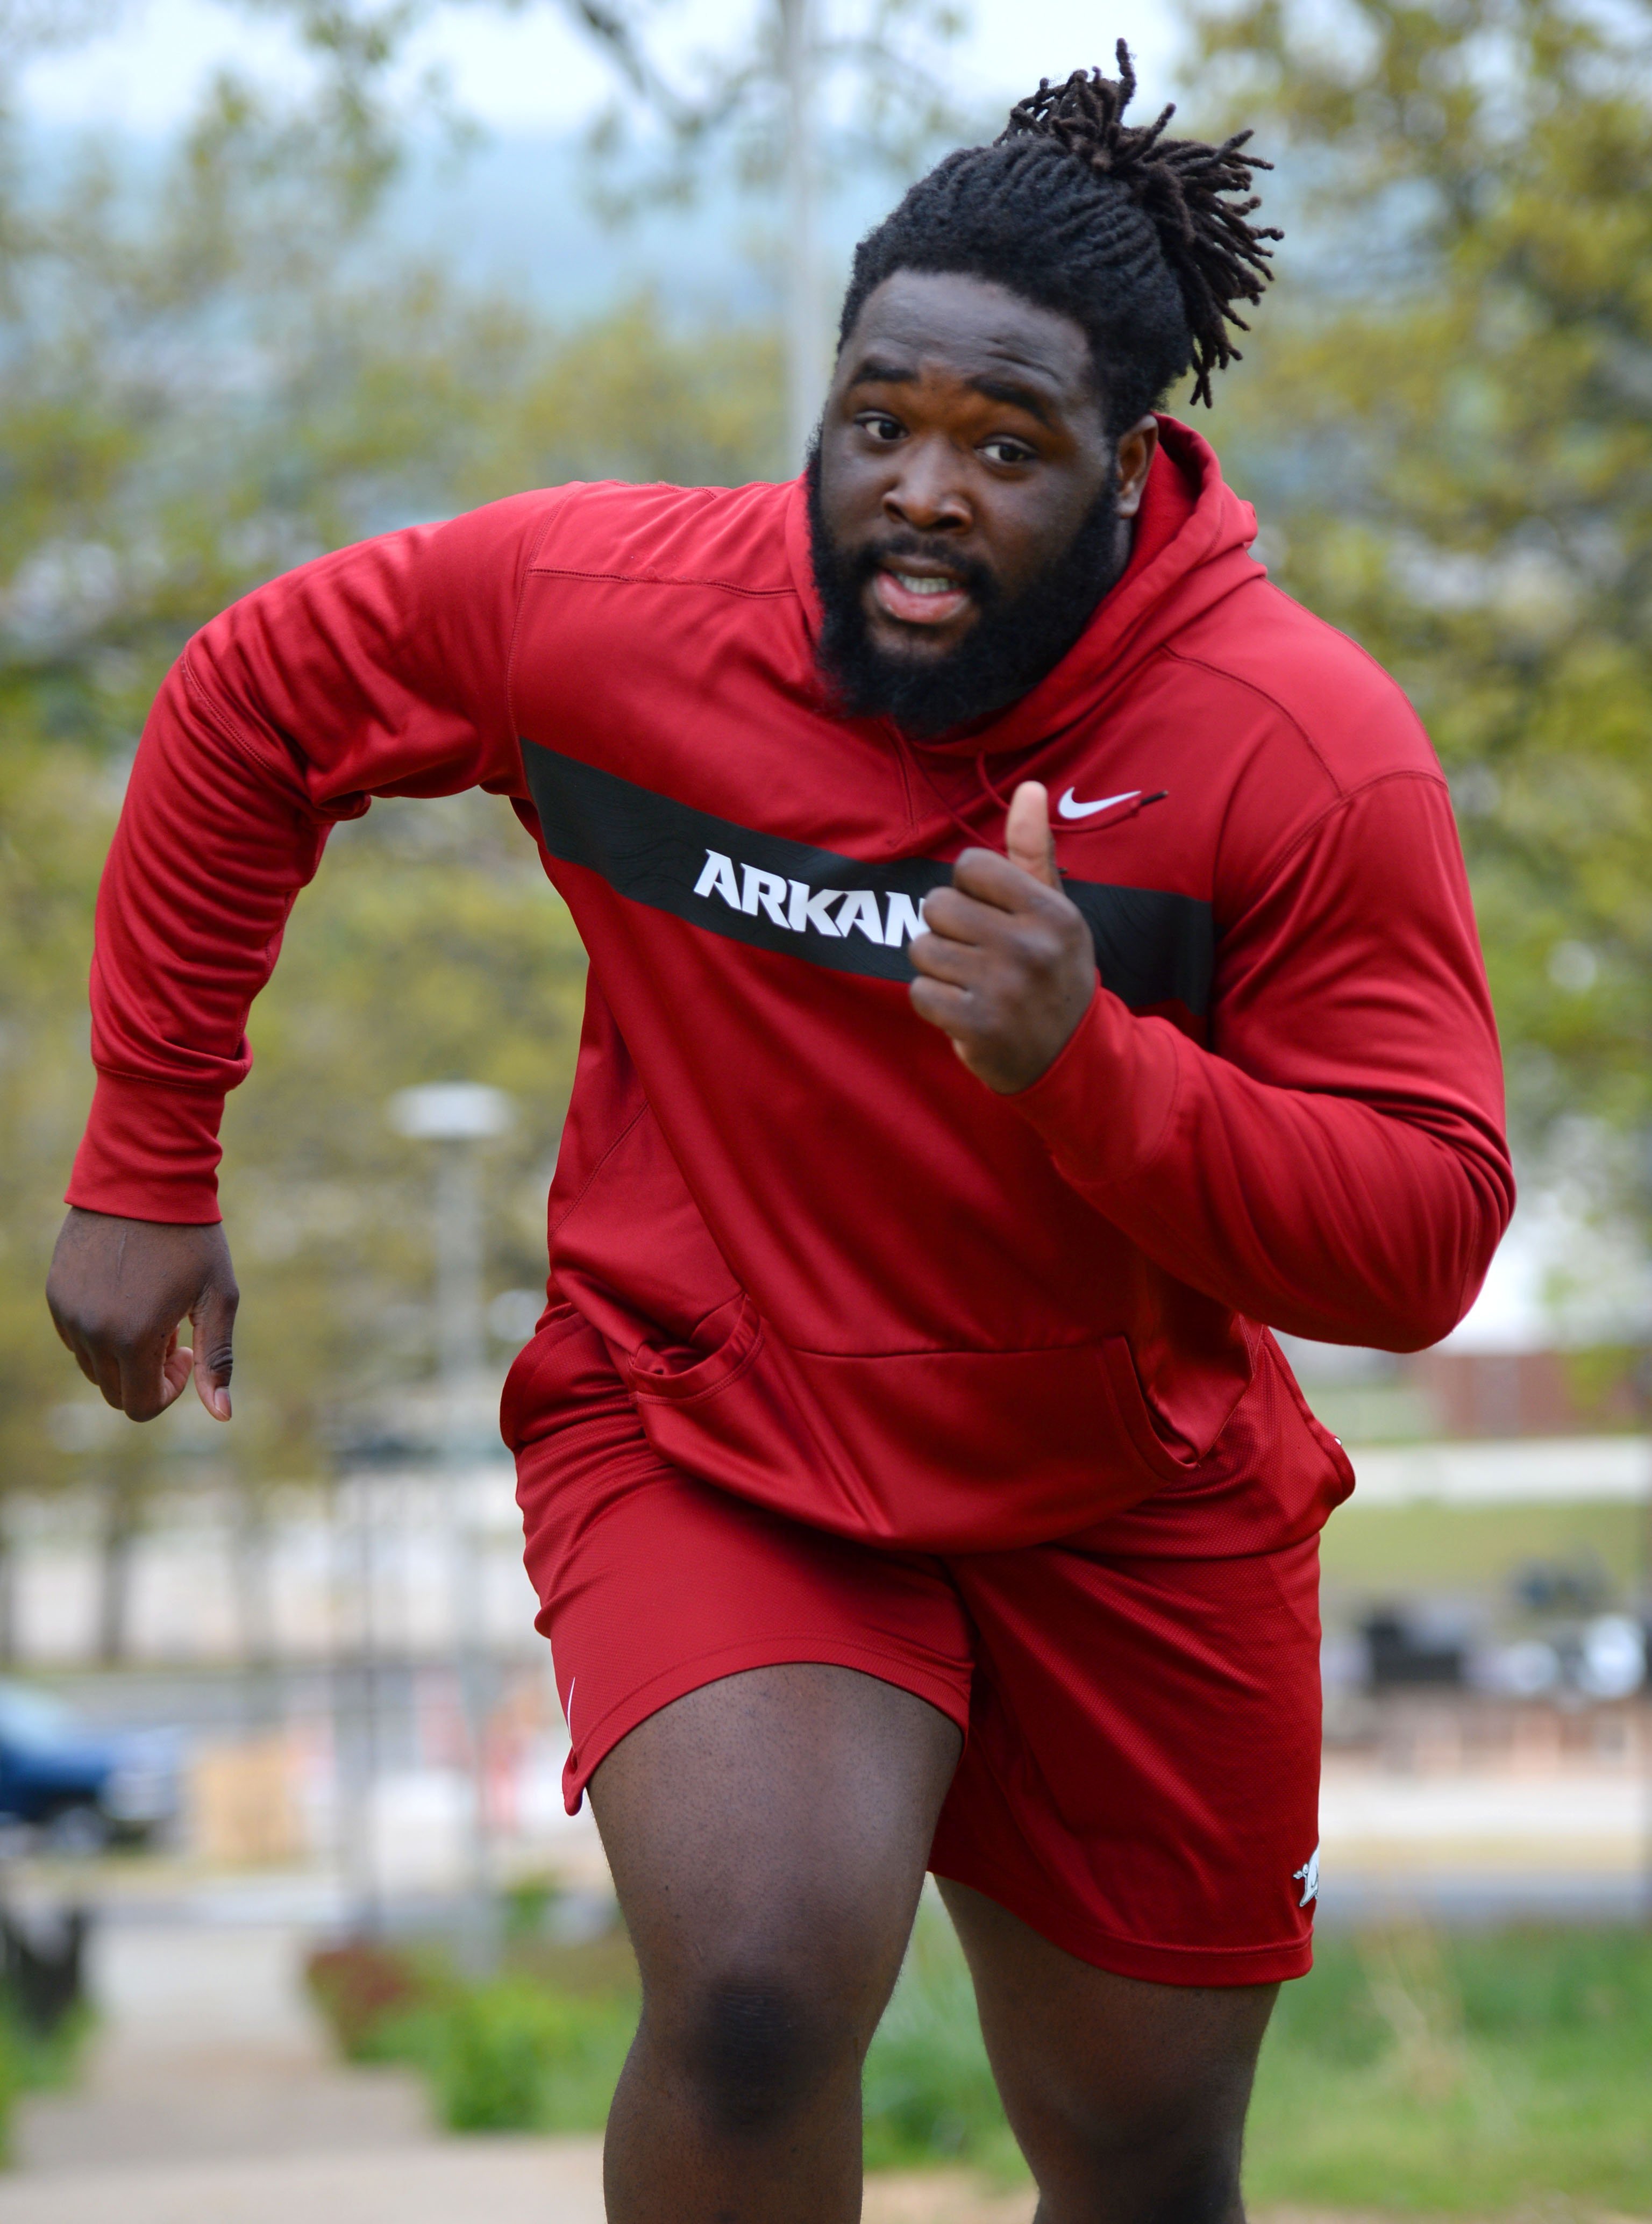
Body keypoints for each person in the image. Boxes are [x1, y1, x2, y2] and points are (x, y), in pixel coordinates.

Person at [46, 51, 1512, 2224]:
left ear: (1129, 472)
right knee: (747, 1997)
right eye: (879, 421)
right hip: (717, 1428)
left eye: (1009, 447)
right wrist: (148, 1159)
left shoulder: (1297, 748)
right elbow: (257, 696)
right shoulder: (625, 614)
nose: (924, 488)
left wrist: (1090, 1062)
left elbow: (1421, 1235)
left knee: (1144, 2155)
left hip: (1130, 1505)